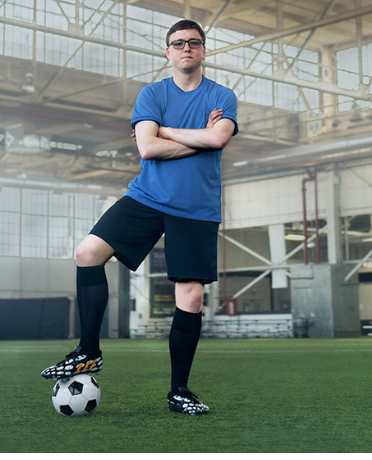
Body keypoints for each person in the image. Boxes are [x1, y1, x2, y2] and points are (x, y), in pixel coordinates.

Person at [41, 19, 238, 415]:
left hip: (196, 207)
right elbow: (148, 149)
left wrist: (169, 132)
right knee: (87, 252)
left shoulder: (223, 95)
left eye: (194, 43)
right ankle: (89, 351)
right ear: (168, 51)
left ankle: (179, 391)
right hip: (147, 196)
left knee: (192, 296)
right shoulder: (152, 94)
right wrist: (194, 137)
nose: (186, 48)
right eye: (178, 43)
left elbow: (218, 139)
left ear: (203, 51)